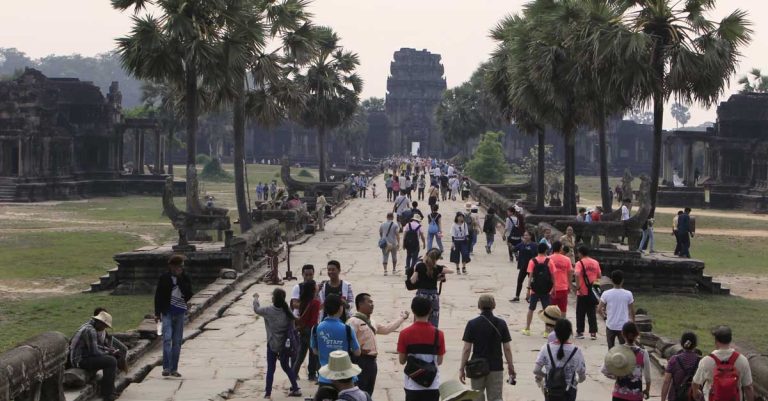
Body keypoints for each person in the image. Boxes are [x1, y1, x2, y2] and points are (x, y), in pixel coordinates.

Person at [348, 293, 410, 395]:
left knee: (369, 391)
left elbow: (386, 329)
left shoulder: (372, 321)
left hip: (372, 362)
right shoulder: (353, 321)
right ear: (360, 304)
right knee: (360, 391)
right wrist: (357, 350)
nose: (372, 304)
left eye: (372, 302)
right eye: (369, 302)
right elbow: (348, 341)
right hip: (360, 360)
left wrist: (401, 318)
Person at [459, 295, 516, 401]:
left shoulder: (472, 324)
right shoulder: (501, 323)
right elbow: (507, 348)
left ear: (479, 306)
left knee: (477, 397)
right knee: (496, 398)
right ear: (494, 306)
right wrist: (511, 366)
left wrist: (462, 368)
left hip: (477, 366)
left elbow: (467, 349)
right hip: (496, 366)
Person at [253, 289, 302, 398]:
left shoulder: (268, 310)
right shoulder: (287, 311)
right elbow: (293, 327)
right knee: (286, 367)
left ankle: (268, 393)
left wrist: (256, 298)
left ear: (273, 298)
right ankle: (295, 388)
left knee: (271, 369)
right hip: (285, 346)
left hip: (272, 345)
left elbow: (256, 309)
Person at [397, 296, 447, 401]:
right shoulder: (439, 334)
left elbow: (402, 361)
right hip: (432, 384)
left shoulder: (404, 333)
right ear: (430, 310)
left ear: (413, 310)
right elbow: (440, 361)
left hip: (412, 385)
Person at [154, 254, 193, 377]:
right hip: (167, 312)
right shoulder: (164, 278)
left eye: (181, 267)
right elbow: (158, 296)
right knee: (167, 339)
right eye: (178, 266)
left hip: (180, 312)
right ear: (171, 266)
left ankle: (174, 369)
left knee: (177, 341)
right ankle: (166, 367)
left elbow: (189, 294)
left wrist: (180, 279)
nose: (180, 269)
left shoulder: (185, 278)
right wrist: (157, 313)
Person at [692, 326, 755, 401]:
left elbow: (695, 382)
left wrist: (696, 393)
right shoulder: (742, 360)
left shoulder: (706, 361)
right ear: (730, 340)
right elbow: (748, 387)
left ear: (716, 341)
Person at [311, 294, 362, 386]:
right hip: (345, 379)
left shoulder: (316, 328)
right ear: (340, 308)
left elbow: (315, 351)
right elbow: (357, 352)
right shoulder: (347, 329)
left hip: (324, 377)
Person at [69, 311, 120, 401]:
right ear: (100, 323)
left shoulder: (89, 326)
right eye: (105, 326)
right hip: (79, 360)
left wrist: (108, 349)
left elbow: (94, 346)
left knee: (110, 359)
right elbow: (95, 352)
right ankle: (108, 394)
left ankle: (110, 390)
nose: (105, 328)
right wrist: (109, 353)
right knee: (111, 361)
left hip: (83, 356)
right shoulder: (90, 330)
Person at [534, 319, 586, 401]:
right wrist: (577, 380)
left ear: (555, 332)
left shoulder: (546, 348)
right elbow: (582, 376)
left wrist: (547, 375)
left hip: (551, 390)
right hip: (568, 391)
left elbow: (536, 370)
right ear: (570, 333)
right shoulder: (576, 351)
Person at [602, 322, 651, 401]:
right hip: (635, 396)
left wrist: (616, 375)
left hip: (618, 395)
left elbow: (604, 370)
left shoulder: (617, 351)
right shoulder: (643, 353)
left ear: (622, 334)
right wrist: (647, 390)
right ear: (637, 334)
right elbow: (648, 376)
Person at [409, 248, 449, 327]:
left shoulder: (419, 265)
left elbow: (412, 281)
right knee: (434, 318)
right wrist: (439, 276)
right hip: (433, 295)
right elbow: (451, 271)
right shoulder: (437, 268)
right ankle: (433, 333)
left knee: (418, 316)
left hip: (421, 294)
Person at [523, 243, 556, 336]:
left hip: (535, 289)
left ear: (538, 250)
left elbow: (530, 277)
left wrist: (528, 289)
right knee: (546, 310)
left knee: (531, 309)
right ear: (546, 250)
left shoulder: (532, 261)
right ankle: (546, 331)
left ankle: (527, 328)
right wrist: (554, 288)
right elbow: (553, 276)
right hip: (546, 289)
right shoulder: (549, 261)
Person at [599, 270, 635, 349]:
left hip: (610, 325)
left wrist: (604, 317)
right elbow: (632, 311)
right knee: (624, 349)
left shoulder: (606, 293)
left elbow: (599, 309)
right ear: (622, 280)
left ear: (611, 280)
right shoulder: (628, 294)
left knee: (611, 349)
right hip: (623, 326)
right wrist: (633, 322)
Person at [294, 279, 321, 381]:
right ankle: (313, 374)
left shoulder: (304, 301)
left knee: (301, 354)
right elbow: (314, 320)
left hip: (303, 329)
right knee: (314, 354)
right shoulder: (315, 302)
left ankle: (294, 373)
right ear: (313, 289)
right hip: (311, 330)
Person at [660, 332, 700, 401]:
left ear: (681, 343)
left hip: (675, 397)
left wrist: (662, 399)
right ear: (696, 344)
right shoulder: (700, 361)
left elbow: (666, 381)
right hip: (693, 397)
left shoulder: (674, 359)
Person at [573, 246, 602, 340]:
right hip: (592, 292)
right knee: (591, 313)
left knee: (580, 312)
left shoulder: (579, 263)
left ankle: (580, 332)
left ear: (580, 253)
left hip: (582, 291)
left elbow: (577, 274)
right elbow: (599, 275)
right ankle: (593, 333)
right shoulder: (595, 262)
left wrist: (578, 287)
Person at [512, 231, 538, 302]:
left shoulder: (534, 245)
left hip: (532, 267)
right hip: (523, 266)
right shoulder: (521, 244)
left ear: (530, 236)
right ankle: (517, 296)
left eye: (527, 235)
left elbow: (538, 255)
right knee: (519, 281)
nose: (525, 237)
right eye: (524, 235)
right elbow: (514, 249)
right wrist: (516, 255)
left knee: (533, 282)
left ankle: (533, 296)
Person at [549, 241, 574, 315]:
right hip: (563, 287)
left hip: (551, 288)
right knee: (563, 310)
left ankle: (551, 325)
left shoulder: (548, 259)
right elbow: (570, 273)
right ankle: (562, 325)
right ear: (560, 248)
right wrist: (570, 285)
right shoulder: (567, 259)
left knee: (551, 310)